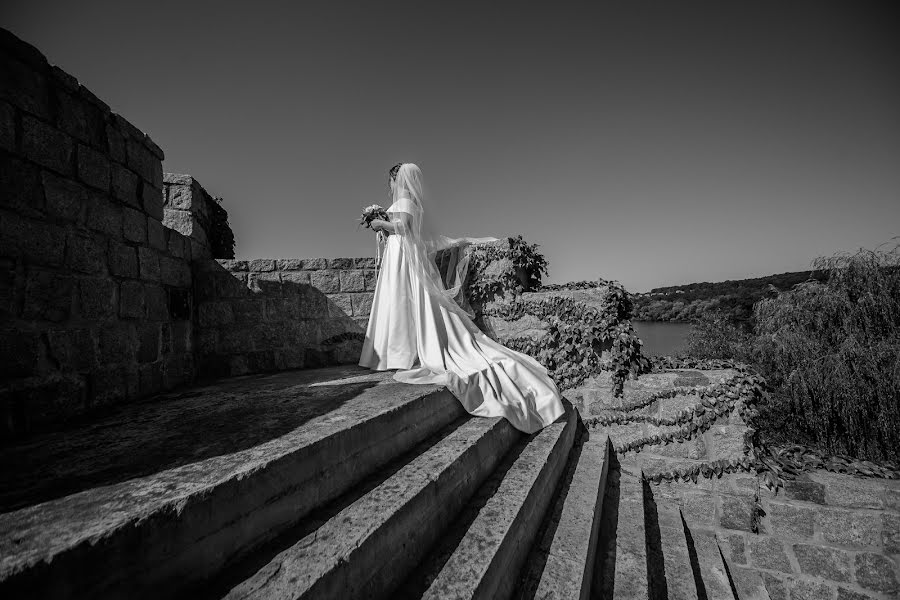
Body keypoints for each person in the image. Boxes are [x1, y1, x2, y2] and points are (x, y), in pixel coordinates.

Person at [358, 163, 565, 434]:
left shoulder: (406, 201)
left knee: (407, 303)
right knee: (397, 304)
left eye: (390, 180)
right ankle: (395, 350)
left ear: (398, 180)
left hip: (405, 260)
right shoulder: (403, 201)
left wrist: (379, 222)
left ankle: (402, 351)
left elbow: (405, 227)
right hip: (399, 257)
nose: (389, 185)